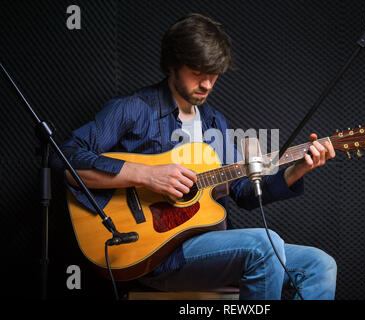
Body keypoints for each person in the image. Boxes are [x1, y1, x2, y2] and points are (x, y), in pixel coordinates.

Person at [50, 13, 337, 300]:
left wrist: (296, 170)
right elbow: (64, 159)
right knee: (265, 243)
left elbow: (245, 194)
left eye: (214, 75)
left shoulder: (214, 121)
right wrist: (147, 175)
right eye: (198, 74)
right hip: (153, 254)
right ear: (173, 63)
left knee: (320, 265)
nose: (208, 85)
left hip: (211, 249)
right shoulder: (133, 109)